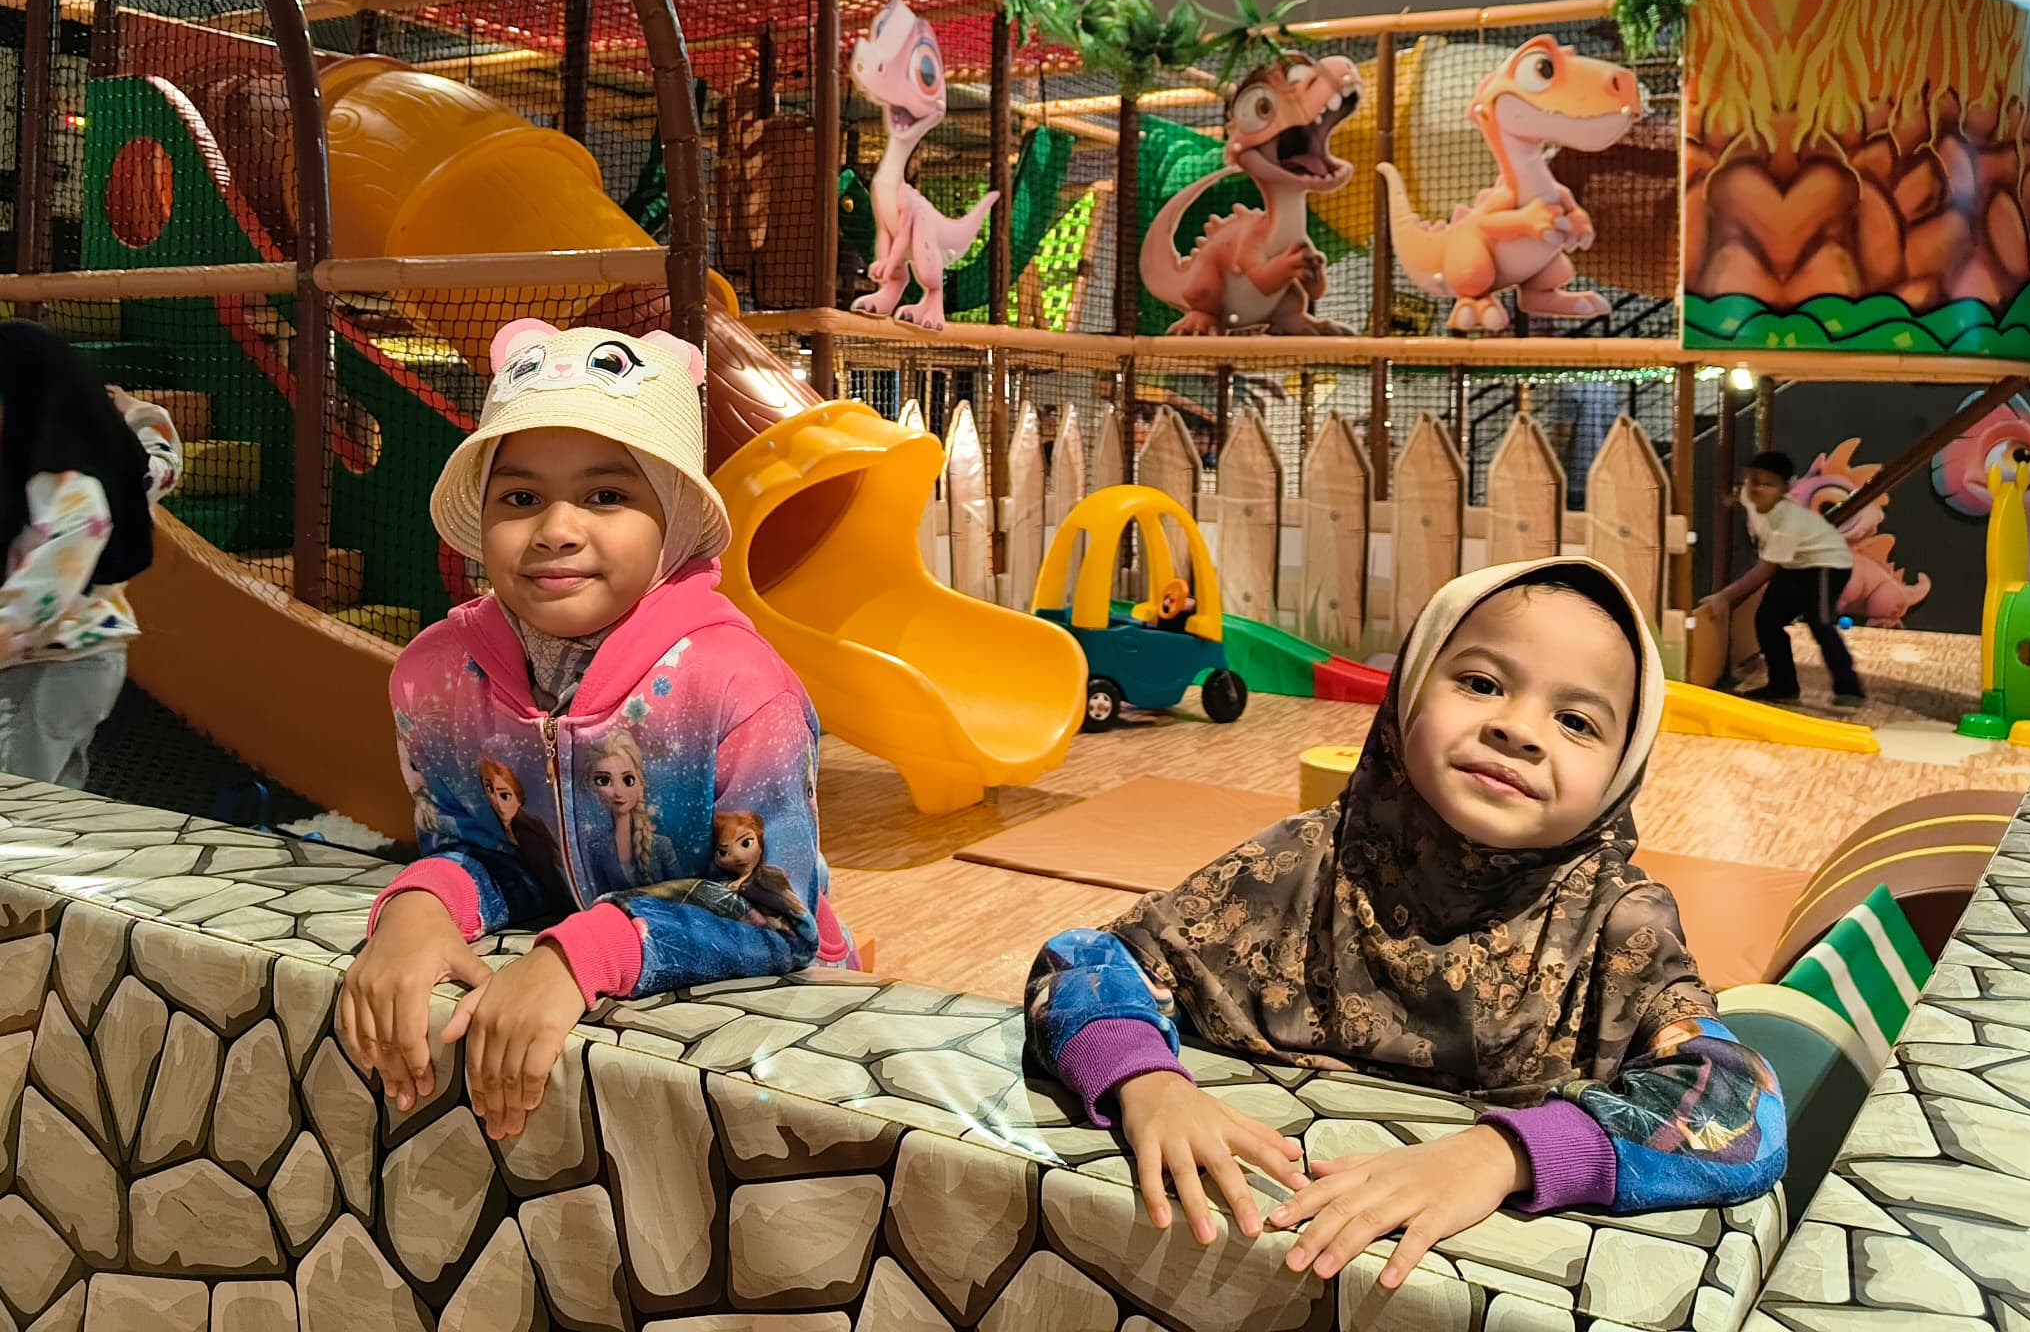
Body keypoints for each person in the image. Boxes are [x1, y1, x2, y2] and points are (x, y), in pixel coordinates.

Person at [1025, 557, 1785, 1285]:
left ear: (1623, 770)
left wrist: (1503, 1157)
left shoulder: (1617, 922)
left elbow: (1738, 1106)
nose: (1520, 729)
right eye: (1481, 683)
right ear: (1410, 692)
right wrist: (1147, 1082)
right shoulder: (1304, 863)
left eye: (1577, 721)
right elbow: (1088, 959)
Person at [341, 319, 855, 1141]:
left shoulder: (737, 689)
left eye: (607, 496)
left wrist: (579, 955)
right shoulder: (436, 679)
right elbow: (489, 853)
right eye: (520, 498)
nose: (556, 529)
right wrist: (421, 908)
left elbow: (771, 913)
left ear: (675, 519)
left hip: (773, 1039)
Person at [0, 321, 184, 786]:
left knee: (8, 795)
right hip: (100, 655)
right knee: (58, 794)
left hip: (53, 657)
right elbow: (164, 467)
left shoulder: (58, 469)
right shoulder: (113, 459)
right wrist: (140, 413)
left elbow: (84, 527)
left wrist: (12, 620)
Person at [1705, 449, 1862, 704]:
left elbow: (1765, 571)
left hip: (1827, 564)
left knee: (1819, 623)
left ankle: (1849, 689)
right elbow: (1737, 494)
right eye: (1754, 481)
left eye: (1769, 484)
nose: (1758, 489)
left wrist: (1724, 597)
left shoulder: (1787, 522)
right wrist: (1728, 498)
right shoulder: (1750, 495)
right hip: (1794, 564)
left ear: (1785, 489)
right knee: (1767, 620)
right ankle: (1783, 686)